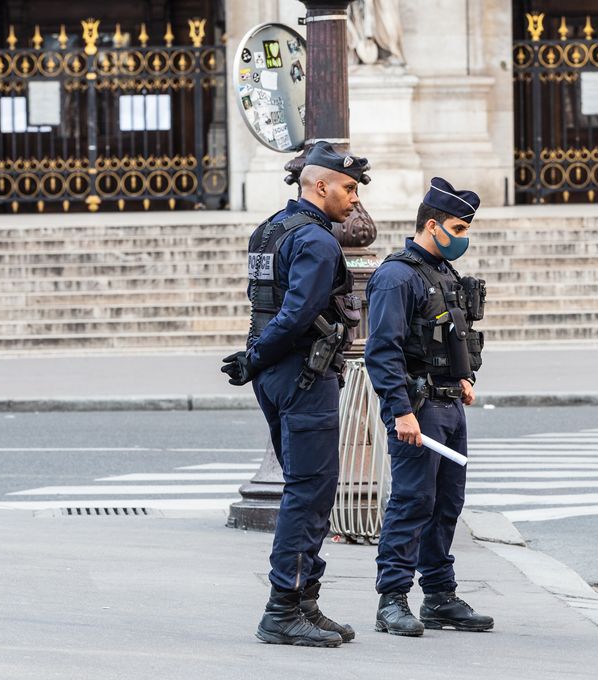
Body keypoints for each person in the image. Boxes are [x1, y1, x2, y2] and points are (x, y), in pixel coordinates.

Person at [219, 141, 368, 648]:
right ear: (320, 185)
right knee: (310, 492)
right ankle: (283, 609)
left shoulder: (269, 230)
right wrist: (257, 356)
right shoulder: (318, 241)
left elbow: (262, 303)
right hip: (305, 373)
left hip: (276, 375)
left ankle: (304, 603)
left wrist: (253, 359)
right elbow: (297, 313)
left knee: (306, 489)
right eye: (349, 188)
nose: (355, 198)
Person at [364, 177, 492, 637]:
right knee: (413, 501)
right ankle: (392, 599)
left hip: (449, 403)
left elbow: (452, 337)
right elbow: (383, 351)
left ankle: (439, 596)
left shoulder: (442, 272)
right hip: (417, 408)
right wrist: (400, 411)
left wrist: (464, 378)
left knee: (447, 504)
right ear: (432, 225)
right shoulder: (397, 276)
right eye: (457, 228)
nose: (463, 237)